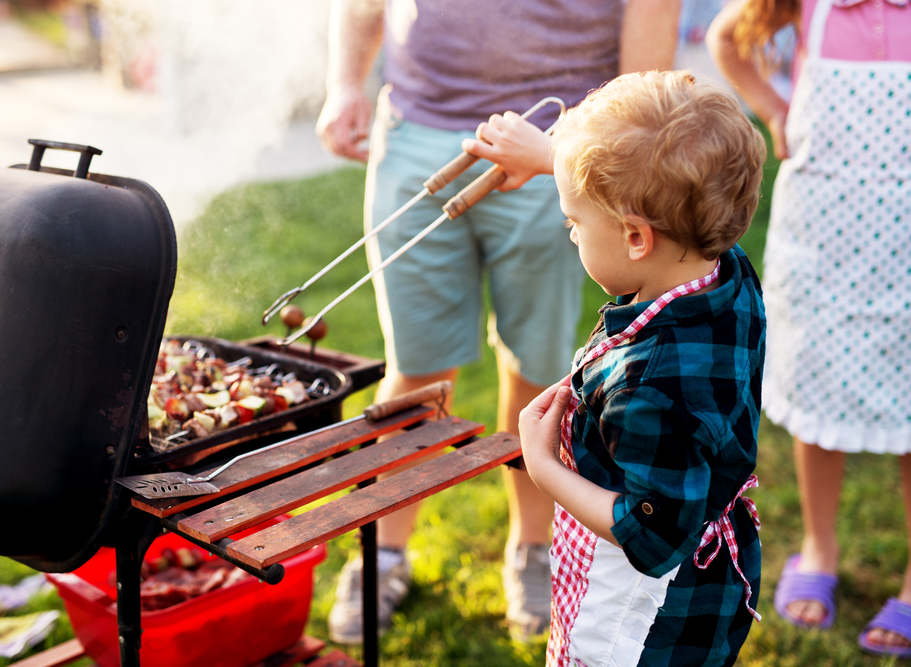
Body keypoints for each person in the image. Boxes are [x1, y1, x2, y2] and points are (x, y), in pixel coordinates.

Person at [315, 0, 681, 644]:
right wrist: (346, 82)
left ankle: (533, 550)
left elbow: (646, 72)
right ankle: (384, 553)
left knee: (540, 369)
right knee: (417, 364)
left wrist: (576, 154)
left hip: (558, 145)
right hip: (415, 130)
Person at [518, 70, 767, 666]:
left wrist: (542, 466)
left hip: (642, 616)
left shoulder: (651, 384)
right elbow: (672, 185)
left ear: (635, 237)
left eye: (574, 223)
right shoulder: (720, 268)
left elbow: (653, 539)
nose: (573, 234)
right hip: (711, 581)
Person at [708, 0, 911, 656]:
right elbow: (726, 39)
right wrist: (772, 106)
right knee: (820, 390)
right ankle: (818, 546)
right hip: (828, 237)